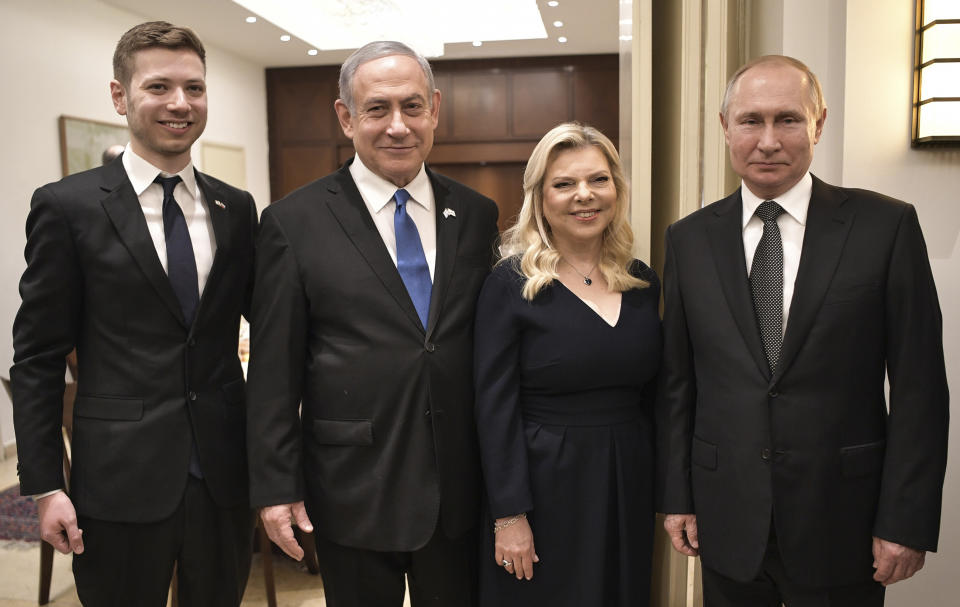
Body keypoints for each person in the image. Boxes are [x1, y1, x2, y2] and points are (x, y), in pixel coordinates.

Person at [657, 55, 949, 606]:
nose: (768, 140)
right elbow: (679, 384)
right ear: (726, 128)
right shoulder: (688, 240)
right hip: (727, 518)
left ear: (818, 123)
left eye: (788, 119)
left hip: (843, 518)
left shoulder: (885, 228)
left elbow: (920, 389)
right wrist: (678, 496)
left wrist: (906, 520)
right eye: (750, 121)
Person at [10, 21, 258, 607]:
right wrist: (46, 486)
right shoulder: (67, 207)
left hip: (224, 475)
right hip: (118, 481)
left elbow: (269, 329)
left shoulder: (235, 207)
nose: (180, 104)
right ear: (120, 96)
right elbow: (38, 359)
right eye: (159, 87)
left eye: (194, 88)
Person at [246, 40, 499, 607]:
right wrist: (275, 487)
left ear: (434, 108)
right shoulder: (293, 222)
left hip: (460, 487)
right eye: (377, 108)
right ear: (346, 116)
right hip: (352, 487)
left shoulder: (477, 215)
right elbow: (273, 372)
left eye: (412, 107)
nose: (398, 126)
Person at [473, 122, 660, 607]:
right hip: (543, 485)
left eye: (599, 180)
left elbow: (659, 395)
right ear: (540, 198)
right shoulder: (510, 284)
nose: (585, 196)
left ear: (616, 189)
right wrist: (509, 514)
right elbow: (493, 407)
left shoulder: (642, 282)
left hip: (625, 480)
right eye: (564, 184)